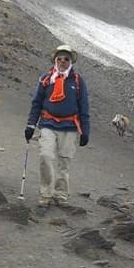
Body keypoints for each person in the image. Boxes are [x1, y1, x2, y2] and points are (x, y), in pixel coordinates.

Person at [24, 44, 90, 208]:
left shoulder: (77, 81)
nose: (62, 61)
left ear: (70, 61)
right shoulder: (46, 79)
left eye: (66, 59)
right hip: (48, 123)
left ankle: (61, 194)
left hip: (70, 126)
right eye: (59, 58)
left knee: (64, 162)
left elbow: (84, 107)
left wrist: (85, 131)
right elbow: (37, 103)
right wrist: (31, 125)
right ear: (55, 60)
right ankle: (46, 193)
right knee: (45, 156)